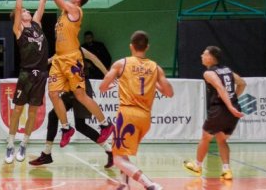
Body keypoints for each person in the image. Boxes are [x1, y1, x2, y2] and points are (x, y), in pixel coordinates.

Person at [44, 0, 113, 148]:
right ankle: (66, 128)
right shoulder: (65, 12)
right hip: (59, 59)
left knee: (80, 95)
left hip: (72, 58)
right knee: (52, 93)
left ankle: (105, 124)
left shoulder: (75, 11)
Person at [99, 31, 174, 190]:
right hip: (145, 117)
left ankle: (150, 184)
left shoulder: (121, 64)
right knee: (122, 152)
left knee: (117, 158)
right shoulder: (155, 67)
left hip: (127, 114)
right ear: (147, 47)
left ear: (131, 46)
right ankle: (124, 184)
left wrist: (111, 85)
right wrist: (154, 82)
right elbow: (169, 92)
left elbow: (103, 86)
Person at [30, 48, 113, 168]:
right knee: (53, 115)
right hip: (69, 89)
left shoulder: (78, 48)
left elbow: (94, 58)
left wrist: (107, 75)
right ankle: (47, 153)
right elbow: (50, 60)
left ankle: (110, 150)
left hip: (81, 87)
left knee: (81, 125)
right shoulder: (61, 49)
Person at [4, 0, 50, 164]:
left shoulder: (37, 24)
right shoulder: (18, 29)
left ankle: (24, 143)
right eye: (23, 11)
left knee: (33, 112)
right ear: (18, 16)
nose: (26, 11)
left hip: (41, 75)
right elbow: (18, 6)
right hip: (26, 74)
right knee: (17, 110)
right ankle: (10, 144)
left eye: (26, 10)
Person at [183, 46, 246, 181]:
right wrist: (233, 101)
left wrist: (229, 106)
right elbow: (242, 83)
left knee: (205, 137)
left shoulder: (209, 73)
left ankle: (197, 166)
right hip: (234, 108)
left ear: (211, 58)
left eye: (204, 54)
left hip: (220, 109)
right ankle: (227, 170)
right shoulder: (227, 70)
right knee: (221, 139)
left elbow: (220, 87)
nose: (201, 56)